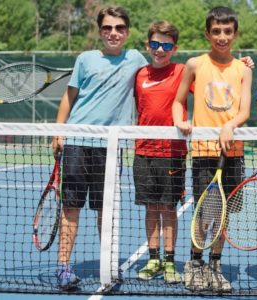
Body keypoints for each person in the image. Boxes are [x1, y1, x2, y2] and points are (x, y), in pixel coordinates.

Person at [52, 6, 148, 290]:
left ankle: (107, 263)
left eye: (119, 28)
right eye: (107, 28)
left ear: (127, 32)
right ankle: (63, 267)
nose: (113, 33)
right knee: (71, 207)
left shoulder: (137, 59)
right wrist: (59, 132)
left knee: (105, 210)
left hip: (110, 146)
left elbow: (164, 72)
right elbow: (69, 99)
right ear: (100, 31)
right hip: (78, 143)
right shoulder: (85, 59)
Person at [172, 6, 252, 293]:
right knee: (204, 215)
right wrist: (178, 120)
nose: (222, 36)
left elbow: (244, 110)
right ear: (208, 34)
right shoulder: (195, 64)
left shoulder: (243, 69)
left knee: (224, 214)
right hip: (204, 151)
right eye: (216, 31)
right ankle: (195, 263)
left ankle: (215, 264)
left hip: (233, 152)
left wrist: (230, 125)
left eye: (227, 31)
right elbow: (178, 101)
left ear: (235, 33)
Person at [132, 20, 186, 284]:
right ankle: (153, 259)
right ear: (148, 45)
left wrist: (241, 65)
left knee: (168, 207)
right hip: (143, 151)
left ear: (174, 48)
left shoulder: (183, 72)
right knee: (151, 207)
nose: (160, 50)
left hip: (173, 153)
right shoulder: (139, 75)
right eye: (155, 44)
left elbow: (214, 83)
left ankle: (169, 261)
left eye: (166, 45)